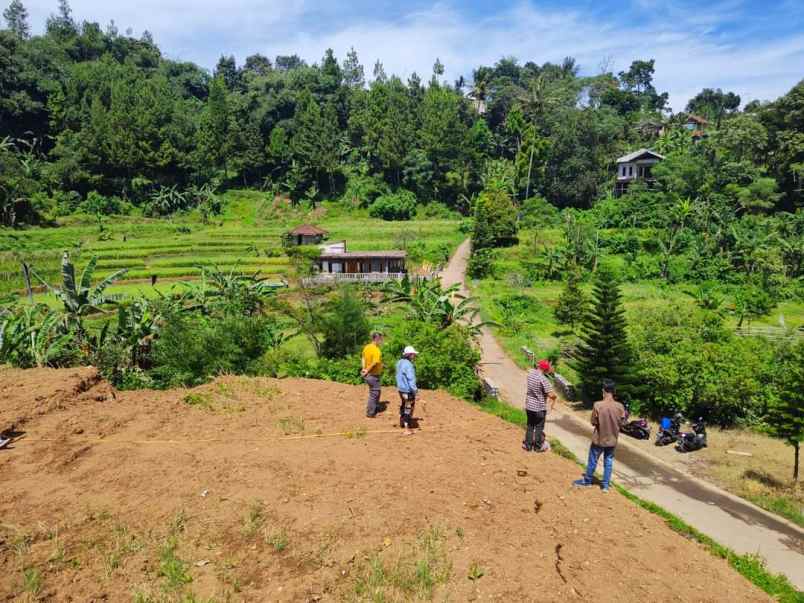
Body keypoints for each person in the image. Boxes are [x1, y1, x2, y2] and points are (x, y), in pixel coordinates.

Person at [573, 379, 626, 492]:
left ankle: (587, 481)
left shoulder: (598, 405)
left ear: (603, 391)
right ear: (614, 391)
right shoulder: (620, 407)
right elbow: (623, 423)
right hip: (612, 439)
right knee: (609, 461)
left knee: (593, 460)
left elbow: (593, 422)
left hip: (599, 438)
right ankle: (605, 485)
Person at [523, 359, 557, 452]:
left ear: (539, 366)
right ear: (545, 369)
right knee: (539, 427)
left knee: (530, 426)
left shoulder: (530, 374)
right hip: (539, 408)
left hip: (529, 406)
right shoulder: (544, 379)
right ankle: (538, 446)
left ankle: (527, 445)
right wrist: (555, 397)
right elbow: (551, 395)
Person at [396, 346, 419, 434]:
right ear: (409, 355)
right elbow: (411, 380)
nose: (414, 356)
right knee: (408, 408)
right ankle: (407, 428)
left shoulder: (399, 362)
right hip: (408, 391)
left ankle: (402, 422)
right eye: (413, 354)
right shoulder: (409, 365)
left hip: (401, 389)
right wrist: (416, 392)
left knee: (404, 405)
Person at [361, 332, 384, 417]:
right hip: (373, 375)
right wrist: (367, 370)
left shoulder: (367, 347)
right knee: (374, 393)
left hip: (368, 374)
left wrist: (363, 368)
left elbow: (363, 357)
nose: (382, 341)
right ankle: (370, 413)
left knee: (376, 392)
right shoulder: (376, 350)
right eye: (381, 340)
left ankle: (375, 408)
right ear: (377, 339)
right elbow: (374, 362)